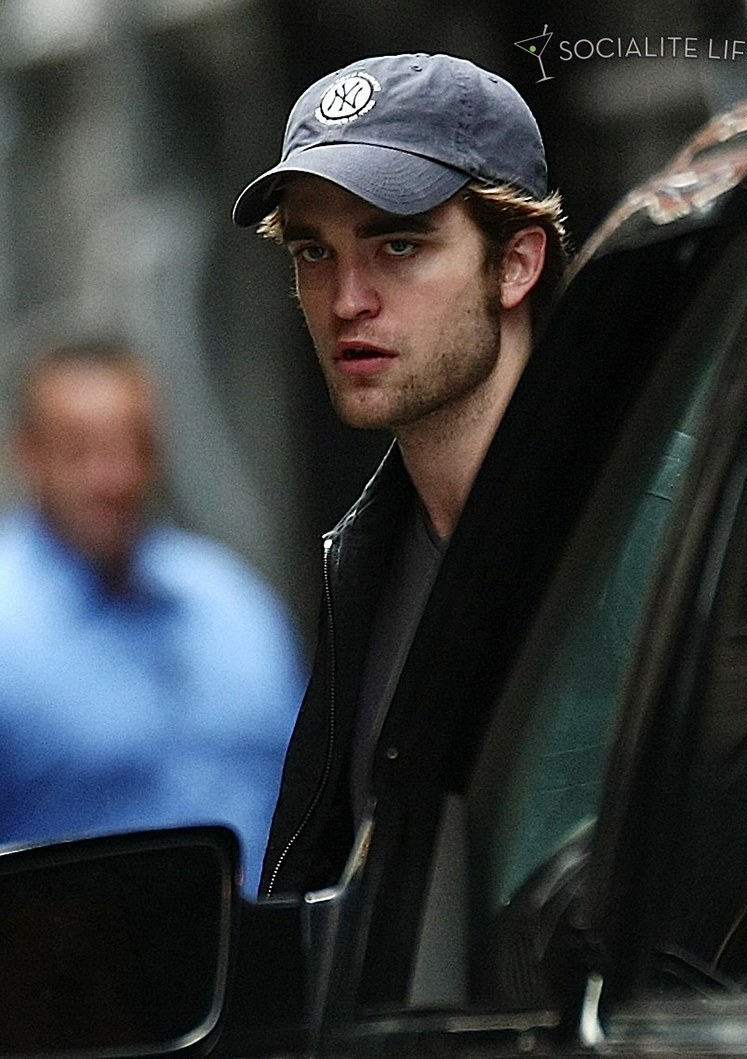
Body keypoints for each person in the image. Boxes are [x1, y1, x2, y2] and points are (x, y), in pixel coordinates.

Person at [232, 52, 569, 898]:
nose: (348, 299)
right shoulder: (370, 560)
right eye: (314, 250)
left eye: (399, 244)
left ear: (516, 263)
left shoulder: (643, 522)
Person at [0, 342, 305, 896]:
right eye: (80, 450)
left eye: (133, 445)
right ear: (28, 453)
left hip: (259, 938)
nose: (114, 477)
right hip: (64, 947)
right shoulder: (9, 622)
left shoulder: (233, 602)